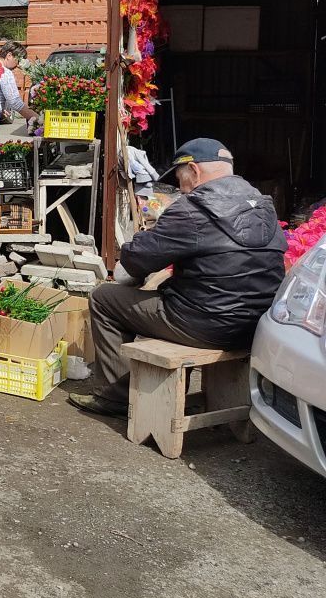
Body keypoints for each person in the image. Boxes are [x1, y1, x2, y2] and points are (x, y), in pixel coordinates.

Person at [69, 139, 287, 418]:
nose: (178, 183)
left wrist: (144, 239)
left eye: (179, 175)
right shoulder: (263, 204)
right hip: (255, 326)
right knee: (175, 291)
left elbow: (136, 260)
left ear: (194, 170)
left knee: (104, 298)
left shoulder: (192, 209)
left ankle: (117, 397)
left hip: (208, 326)